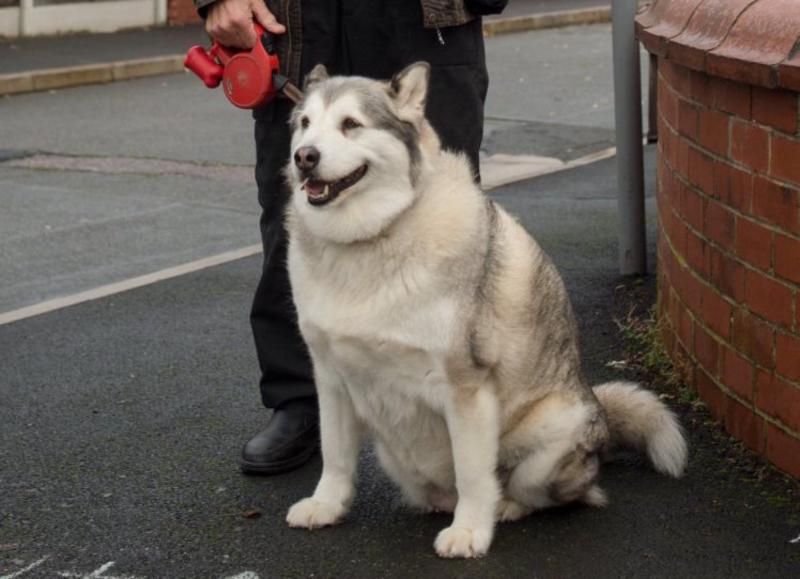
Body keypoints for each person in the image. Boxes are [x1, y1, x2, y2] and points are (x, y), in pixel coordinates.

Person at [194, 0, 506, 474]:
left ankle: (455, 399)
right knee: (294, 222)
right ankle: (298, 400)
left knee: (441, 218)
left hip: (421, 32)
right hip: (305, 29)